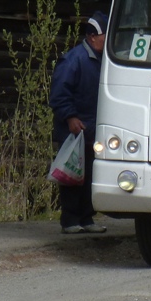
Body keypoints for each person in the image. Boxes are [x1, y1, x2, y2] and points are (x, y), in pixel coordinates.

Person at [49, 12, 108, 234]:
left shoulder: (103, 60)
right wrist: (70, 117)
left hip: (94, 129)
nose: (107, 40)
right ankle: (70, 220)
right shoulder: (74, 60)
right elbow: (59, 94)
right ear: (92, 37)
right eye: (104, 36)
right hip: (74, 129)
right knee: (72, 175)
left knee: (90, 174)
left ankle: (87, 218)